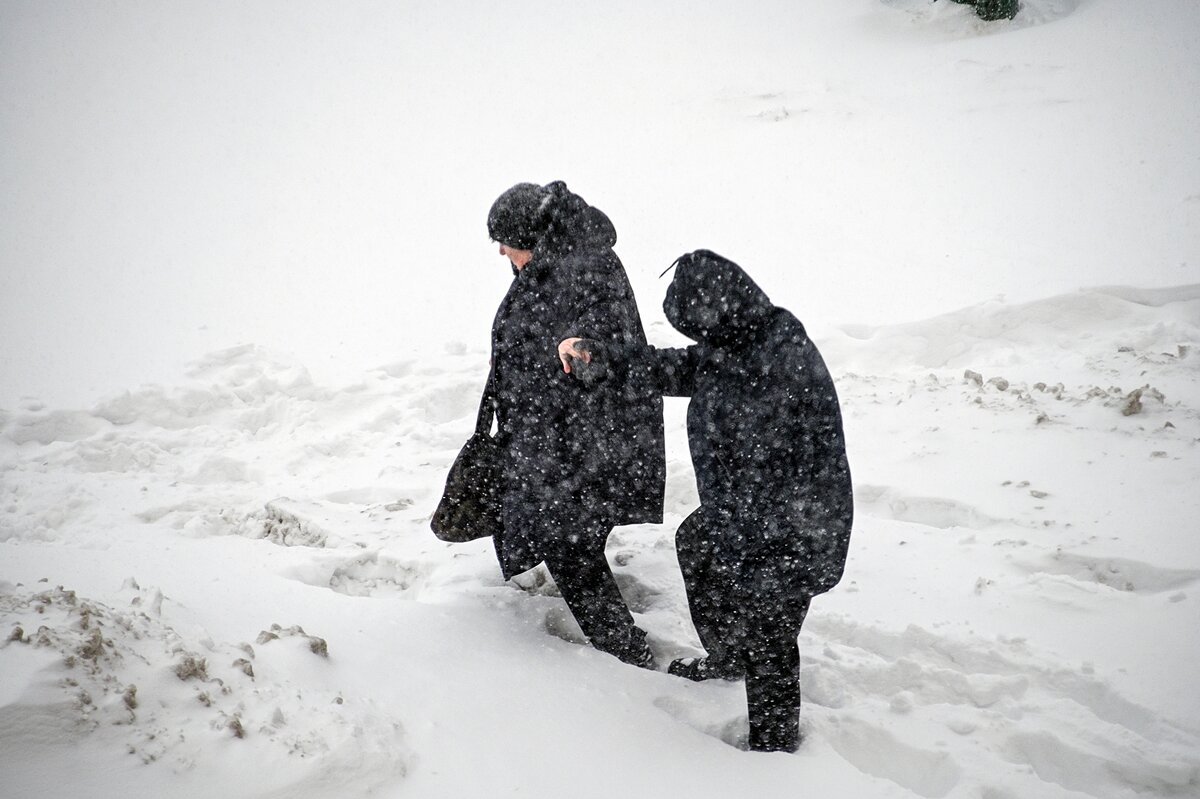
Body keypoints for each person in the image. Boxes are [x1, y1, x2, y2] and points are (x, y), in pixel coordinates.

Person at [559, 249, 853, 751]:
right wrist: (605, 358)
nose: (697, 341)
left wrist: (749, 545)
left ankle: (774, 745)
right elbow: (680, 368)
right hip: (747, 514)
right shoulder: (739, 340)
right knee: (697, 543)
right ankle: (729, 655)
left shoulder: (779, 360)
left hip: (795, 526)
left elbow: (776, 471)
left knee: (770, 629)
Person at [485, 181, 665, 668]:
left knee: (570, 543)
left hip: (585, 436)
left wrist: (580, 348)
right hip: (559, 432)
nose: (502, 251)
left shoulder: (583, 268)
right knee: (560, 533)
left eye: (508, 243)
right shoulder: (555, 261)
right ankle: (617, 641)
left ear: (533, 238)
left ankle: (626, 654)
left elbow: (601, 340)